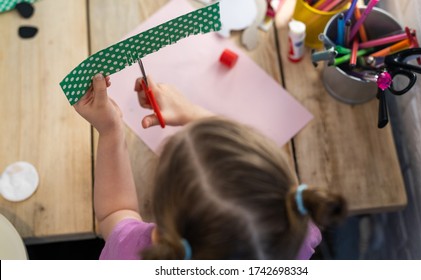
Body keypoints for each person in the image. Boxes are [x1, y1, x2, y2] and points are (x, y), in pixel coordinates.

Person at [73, 73, 347, 260]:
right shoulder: (293, 233)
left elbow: (115, 213)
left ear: (161, 236)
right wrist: (193, 114)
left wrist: (110, 130)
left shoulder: (133, 257)